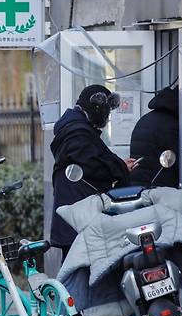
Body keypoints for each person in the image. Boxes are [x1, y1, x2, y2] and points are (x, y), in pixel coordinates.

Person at [50, 85, 134, 261]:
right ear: (96, 107)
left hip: (79, 214)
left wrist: (119, 165)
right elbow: (93, 164)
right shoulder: (77, 133)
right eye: (106, 111)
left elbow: (96, 158)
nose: (108, 117)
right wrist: (119, 169)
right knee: (80, 274)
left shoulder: (77, 129)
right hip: (78, 217)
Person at [130, 86, 179, 187]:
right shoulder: (171, 124)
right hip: (158, 183)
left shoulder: (145, 119)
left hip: (140, 180)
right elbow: (177, 158)